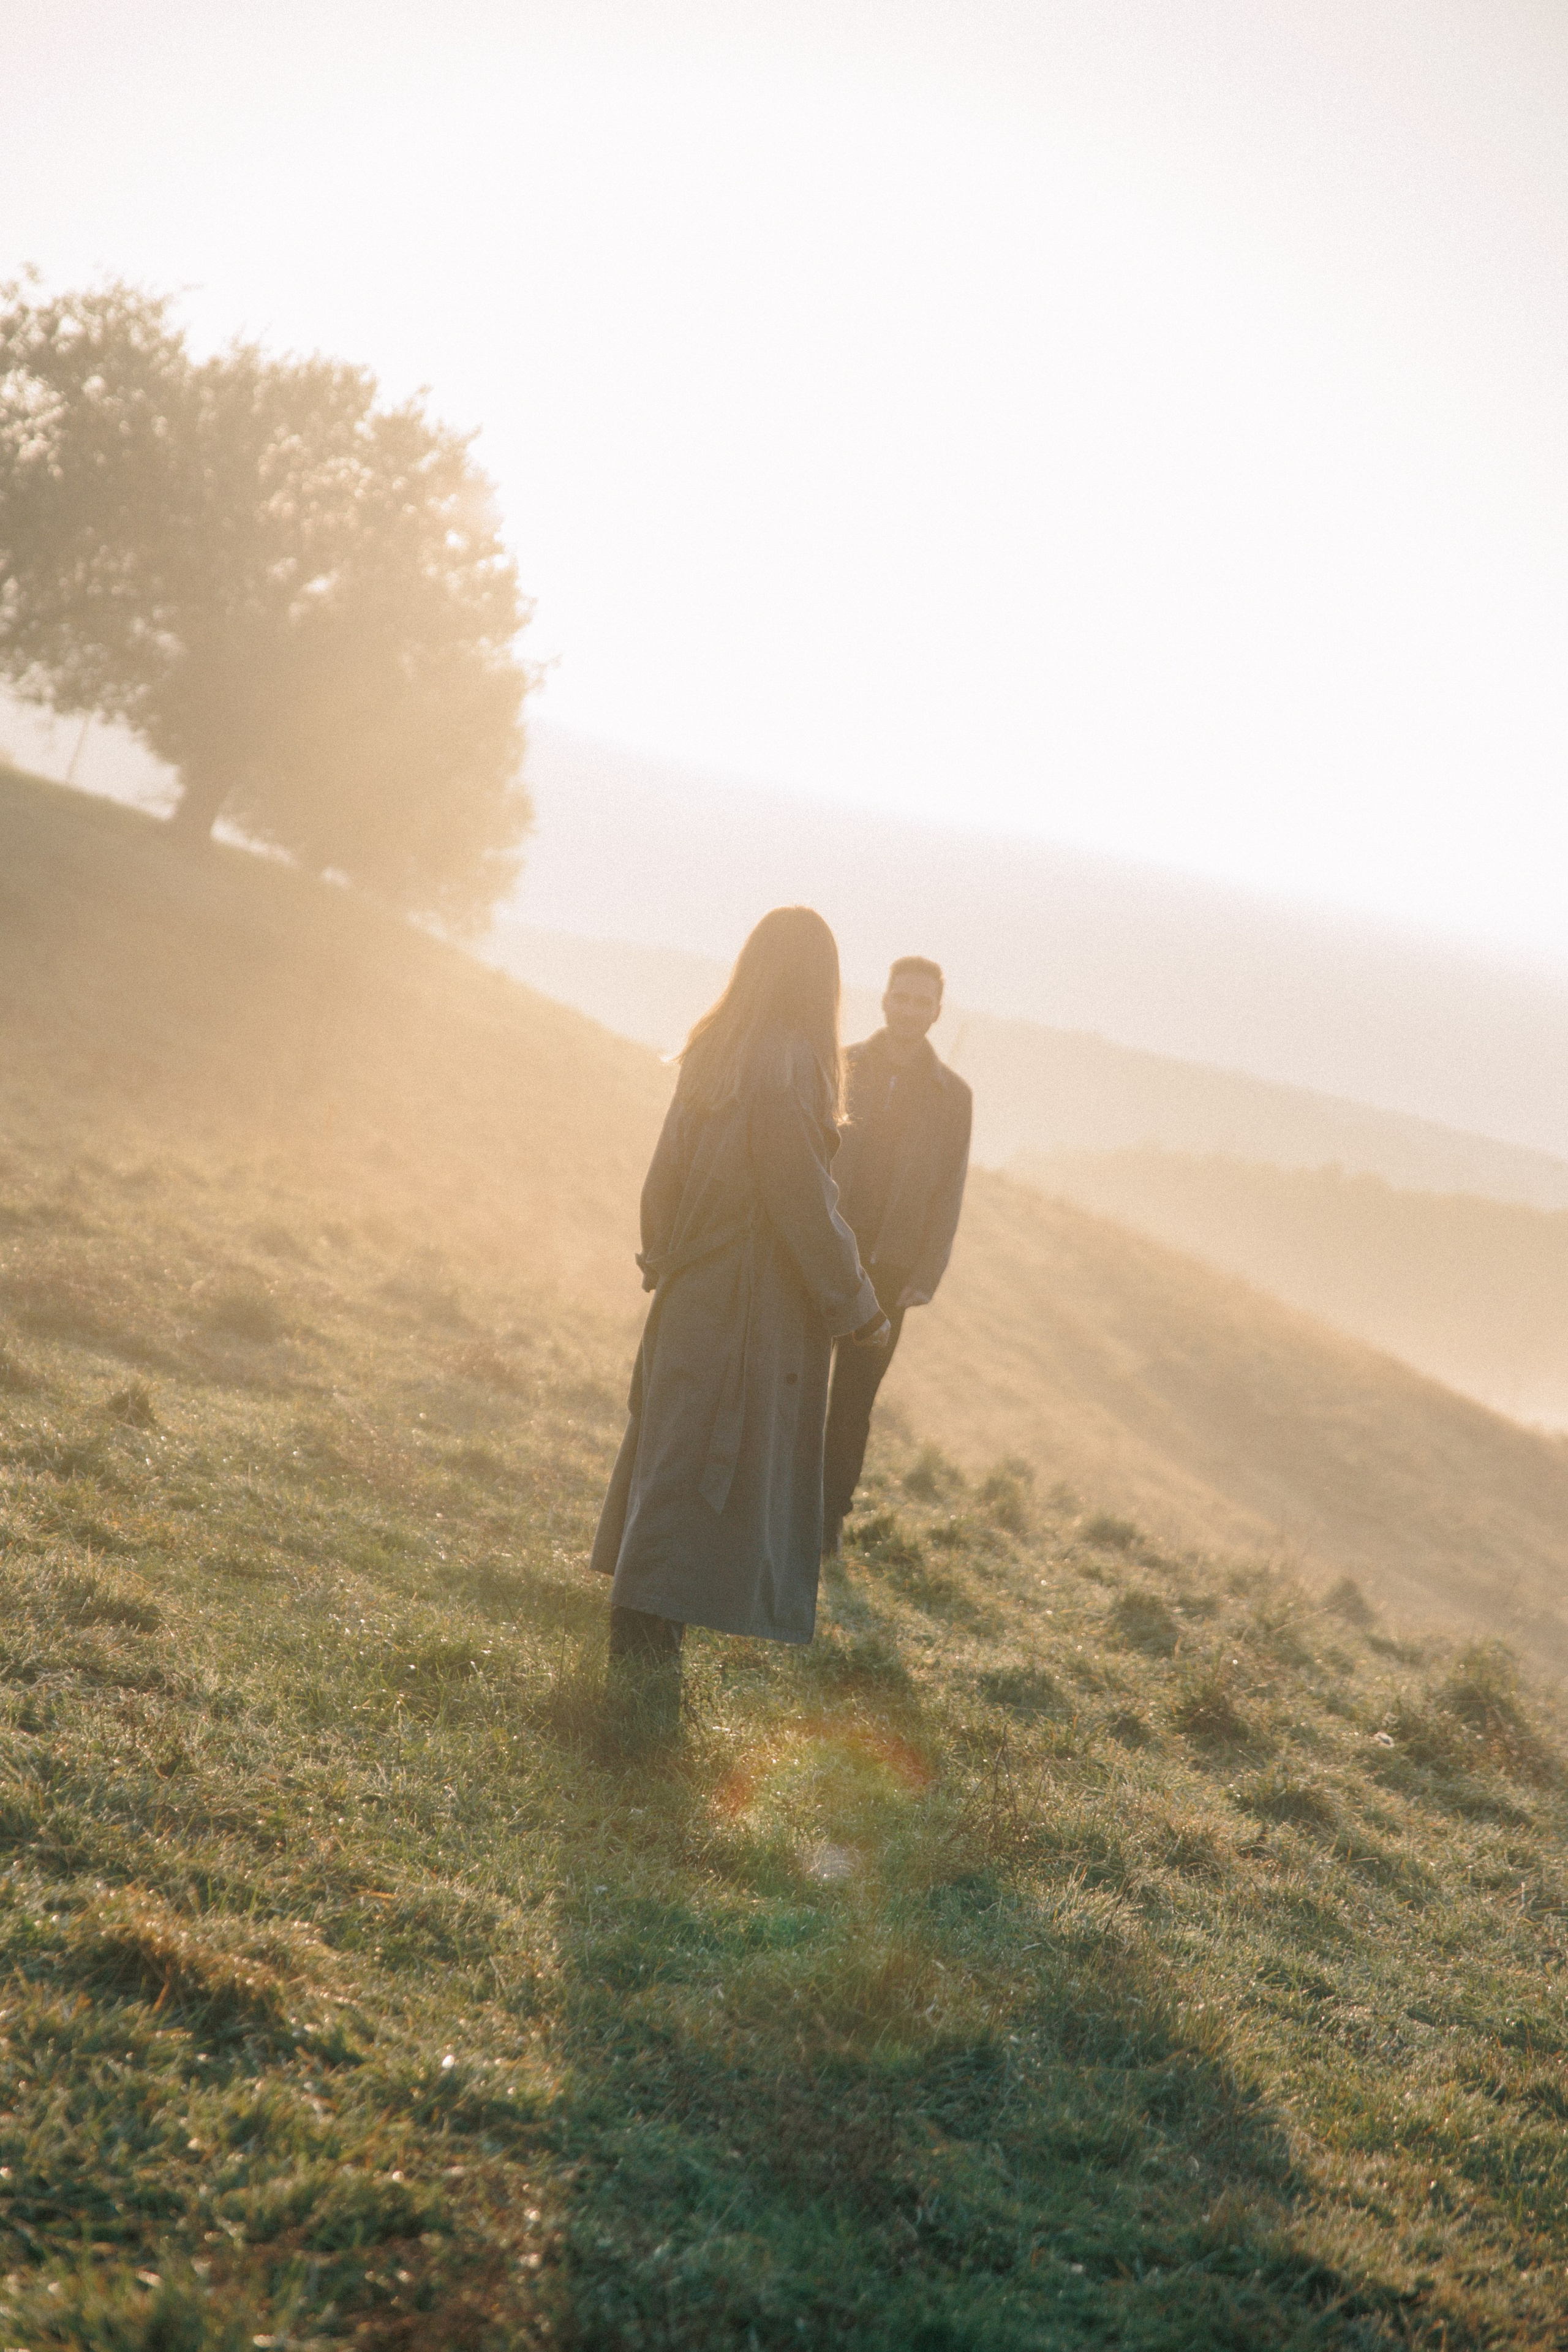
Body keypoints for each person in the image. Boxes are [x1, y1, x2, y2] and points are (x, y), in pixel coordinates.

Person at [589, 905, 891, 1730]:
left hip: (696, 1294)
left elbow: (664, 1178)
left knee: (672, 1469)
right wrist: (859, 1306)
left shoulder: (714, 1048)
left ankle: (642, 1685)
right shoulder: (786, 1064)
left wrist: (666, 1262)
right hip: (749, 1309)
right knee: (703, 1479)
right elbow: (803, 1198)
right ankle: (643, 1702)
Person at [821, 956, 972, 1555]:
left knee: (854, 1399)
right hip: (823, 1250)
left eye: (922, 1002)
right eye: (901, 998)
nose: (910, 1010)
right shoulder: (841, 1063)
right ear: (883, 1000)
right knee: (799, 1381)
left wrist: (927, 1272)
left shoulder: (952, 1098)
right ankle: (776, 1496)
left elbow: (949, 1189)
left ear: (937, 1012)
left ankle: (828, 1518)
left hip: (888, 1268)